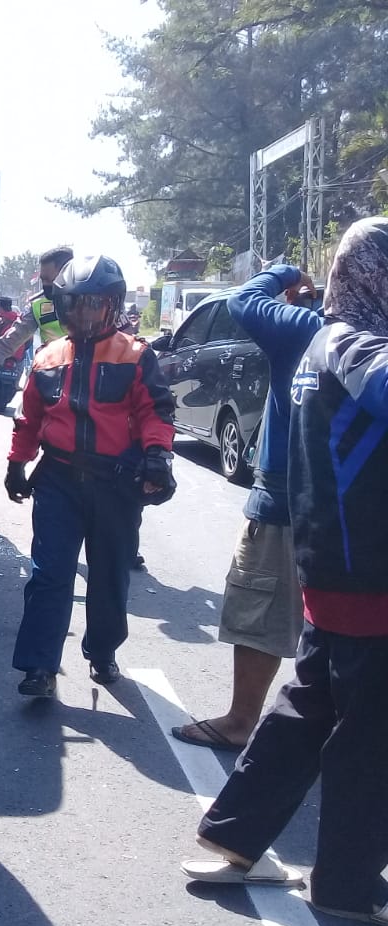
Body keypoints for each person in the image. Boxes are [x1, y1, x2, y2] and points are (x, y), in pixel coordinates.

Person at [180, 218, 388, 926]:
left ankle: (229, 837)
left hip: (333, 569)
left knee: (304, 709)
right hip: (369, 575)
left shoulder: (319, 341)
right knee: (369, 737)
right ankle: (347, 885)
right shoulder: (360, 345)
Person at [4, 255, 176, 698]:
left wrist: (157, 456)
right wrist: (16, 463)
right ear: (62, 306)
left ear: (111, 305)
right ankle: (39, 666)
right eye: (75, 304)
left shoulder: (136, 356)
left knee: (109, 574)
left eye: (93, 304)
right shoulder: (47, 357)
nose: (84, 313)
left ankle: (102, 652)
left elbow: (156, 412)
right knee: (49, 574)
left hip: (116, 485)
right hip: (58, 480)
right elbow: (29, 418)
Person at [171, 264, 322, 751]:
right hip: (360, 510)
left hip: (284, 498)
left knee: (260, 610)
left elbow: (243, 300)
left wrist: (287, 273)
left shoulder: (309, 328)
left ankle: (241, 721)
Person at [0, 246, 75, 398]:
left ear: (68, 274)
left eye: (48, 280)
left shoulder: (96, 302)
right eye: (42, 280)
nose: (45, 286)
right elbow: (9, 342)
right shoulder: (37, 305)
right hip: (53, 384)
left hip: (94, 382)